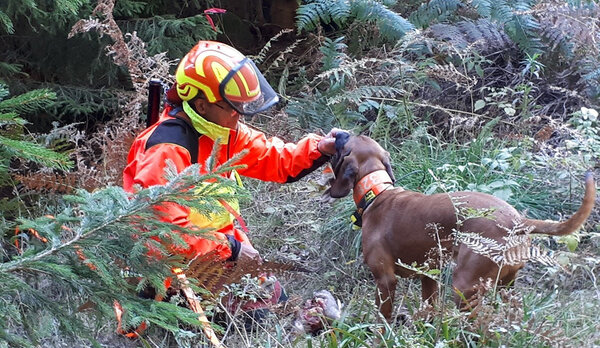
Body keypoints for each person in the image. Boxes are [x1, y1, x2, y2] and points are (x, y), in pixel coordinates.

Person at [122, 40, 341, 327]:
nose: (238, 115)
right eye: (232, 108)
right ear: (201, 104)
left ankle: (295, 318)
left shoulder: (221, 129)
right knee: (260, 319)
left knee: (276, 300)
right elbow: (164, 235)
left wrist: (320, 148)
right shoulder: (167, 148)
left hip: (215, 255)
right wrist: (233, 250)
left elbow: (275, 158)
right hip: (168, 272)